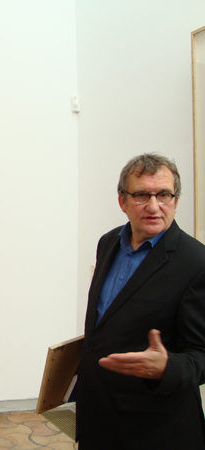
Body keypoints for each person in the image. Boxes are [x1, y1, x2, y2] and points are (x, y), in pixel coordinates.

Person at [76, 153, 205, 449]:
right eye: (142, 195)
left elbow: (201, 354)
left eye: (164, 195)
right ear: (122, 201)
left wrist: (168, 367)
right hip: (98, 413)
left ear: (175, 201)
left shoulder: (197, 263)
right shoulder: (109, 242)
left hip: (153, 428)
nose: (154, 206)